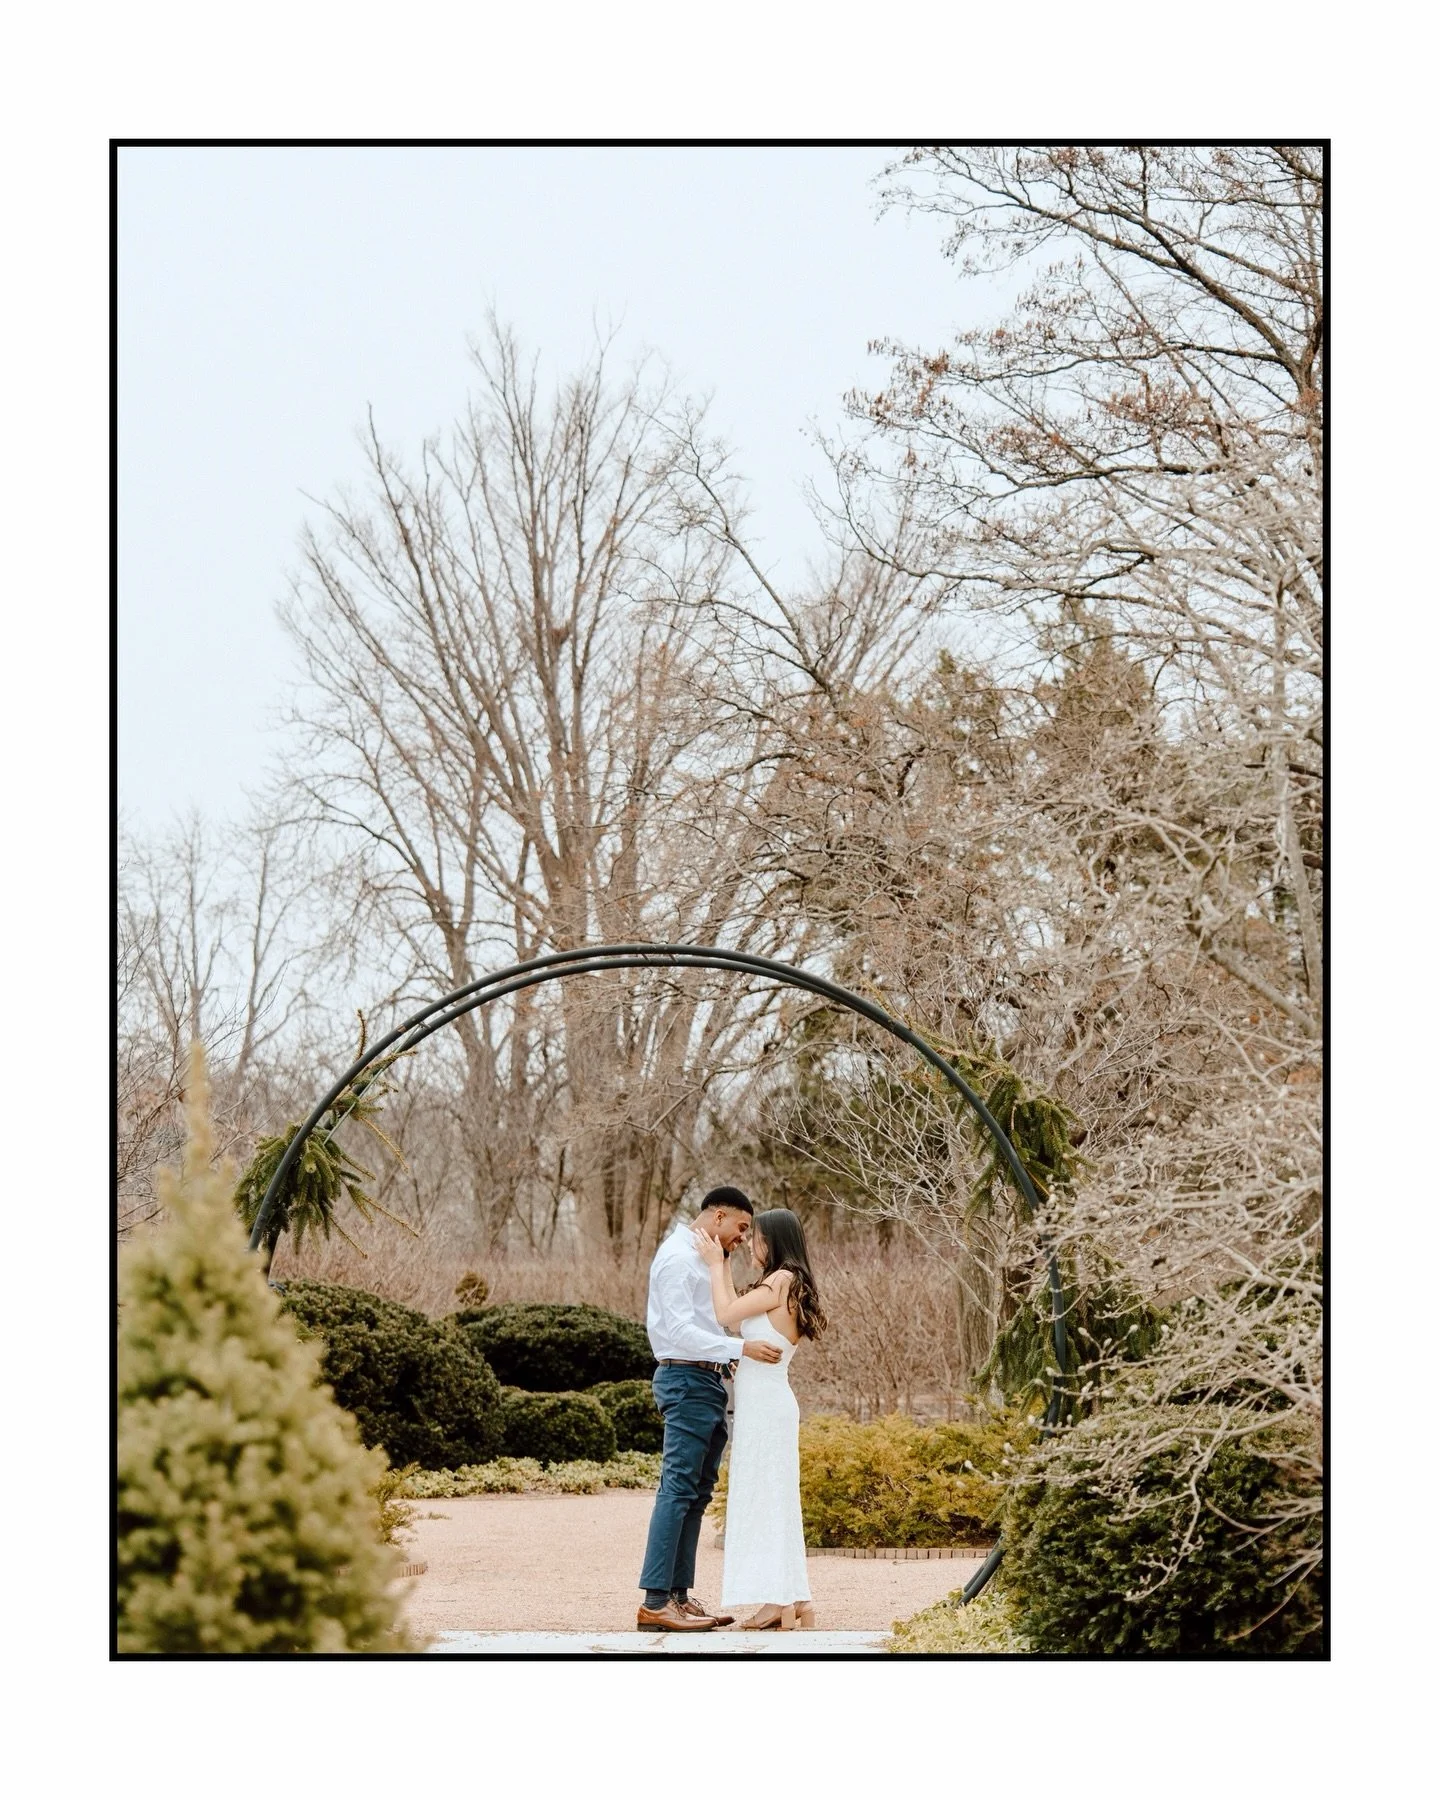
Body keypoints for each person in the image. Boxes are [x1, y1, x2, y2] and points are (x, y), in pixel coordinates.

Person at [635, 1185, 783, 1632]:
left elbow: (709, 1316)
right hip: (685, 1378)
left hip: (707, 1379)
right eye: (740, 1228)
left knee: (697, 1493)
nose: (742, 1239)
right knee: (677, 1488)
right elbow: (679, 1330)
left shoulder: (701, 1259)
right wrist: (739, 1348)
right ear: (717, 1217)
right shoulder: (678, 1259)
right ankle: (656, 1601)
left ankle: (679, 1597)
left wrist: (725, 1362)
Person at [694, 1206, 827, 1630]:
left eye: (757, 1236)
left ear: (773, 1241)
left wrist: (717, 1264)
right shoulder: (789, 1281)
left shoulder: (781, 1279)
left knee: (765, 1499)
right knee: (776, 1499)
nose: (751, 1242)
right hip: (765, 1403)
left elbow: (725, 1313)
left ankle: (776, 1602)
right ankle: (795, 1598)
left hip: (767, 1409)